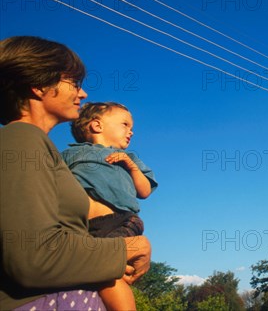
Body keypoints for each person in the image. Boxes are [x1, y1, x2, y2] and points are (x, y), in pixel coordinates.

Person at [0, 36, 151, 311]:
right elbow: (32, 257)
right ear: (39, 85)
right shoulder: (22, 138)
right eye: (74, 84)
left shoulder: (39, 147)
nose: (82, 94)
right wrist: (130, 248)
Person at [62, 102, 158, 310]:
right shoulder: (70, 155)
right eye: (125, 124)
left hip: (119, 221)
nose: (131, 131)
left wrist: (131, 166)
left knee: (109, 275)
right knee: (87, 275)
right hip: (82, 227)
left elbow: (144, 191)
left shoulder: (130, 158)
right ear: (97, 126)